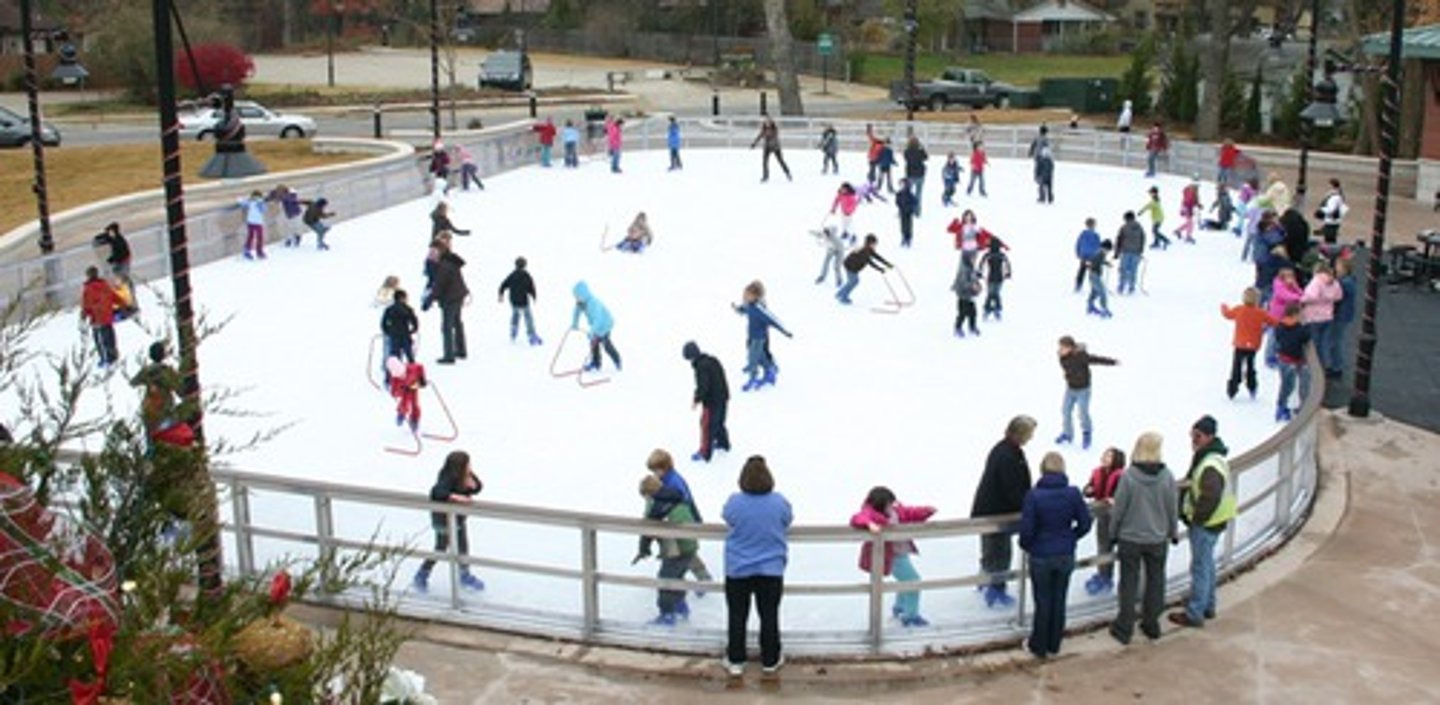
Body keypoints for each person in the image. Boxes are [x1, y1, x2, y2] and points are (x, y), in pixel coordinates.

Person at [723, 455, 792, 677]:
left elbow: (727, 517)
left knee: (737, 615)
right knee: (769, 615)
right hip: (771, 569)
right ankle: (770, 659)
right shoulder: (779, 502)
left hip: (738, 569)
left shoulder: (735, 501)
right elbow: (787, 518)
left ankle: (736, 659)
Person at [1018, 452, 1092, 658]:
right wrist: (1071, 538)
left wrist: (1029, 546)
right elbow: (1085, 523)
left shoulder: (1034, 495)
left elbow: (1027, 530)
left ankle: (1038, 645)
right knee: (1059, 598)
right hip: (1065, 554)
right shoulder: (1073, 493)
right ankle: (1054, 643)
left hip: (1041, 556)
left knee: (1043, 600)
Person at [1107, 431, 1178, 645]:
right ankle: (1151, 623)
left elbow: (1119, 509)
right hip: (1157, 538)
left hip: (1130, 538)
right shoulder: (1167, 476)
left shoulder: (1129, 477)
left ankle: (1124, 627)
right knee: (1156, 581)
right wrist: (1172, 531)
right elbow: (1171, 507)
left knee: (1129, 582)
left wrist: (1113, 533)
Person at [1170, 415, 1235, 629]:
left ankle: (1195, 612)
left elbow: (1210, 495)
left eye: (1197, 436)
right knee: (1206, 564)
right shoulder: (1211, 457)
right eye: (1192, 435)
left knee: (1200, 566)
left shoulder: (1209, 464)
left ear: (1209, 436)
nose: (1193, 440)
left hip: (1206, 524)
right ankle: (1207, 604)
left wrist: (1196, 519)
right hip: (1214, 521)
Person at [970, 415, 1036, 608]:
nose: (1031, 438)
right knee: (999, 552)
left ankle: (987, 583)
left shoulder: (1008, 450)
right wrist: (1029, 506)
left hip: (992, 510)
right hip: (996, 513)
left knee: (993, 551)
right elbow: (1012, 489)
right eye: (1030, 433)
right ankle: (995, 590)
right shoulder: (1007, 455)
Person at [849, 486, 937, 627]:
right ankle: (911, 616)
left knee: (905, 581)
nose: (892, 506)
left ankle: (900, 607)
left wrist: (925, 511)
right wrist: (870, 524)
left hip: (902, 552)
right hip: (891, 556)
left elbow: (909, 513)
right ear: (880, 504)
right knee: (913, 581)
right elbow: (858, 518)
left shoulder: (895, 510)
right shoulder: (870, 512)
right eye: (889, 504)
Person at [412, 450, 485, 593]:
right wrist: (456, 497)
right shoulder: (446, 477)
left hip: (459, 518)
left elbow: (478, 488)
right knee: (441, 548)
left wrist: (474, 484)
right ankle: (421, 574)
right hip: (443, 520)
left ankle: (464, 575)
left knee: (463, 547)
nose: (470, 466)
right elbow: (437, 492)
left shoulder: (466, 476)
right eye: (468, 464)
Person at [634, 473, 700, 625]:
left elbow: (647, 530)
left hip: (676, 549)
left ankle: (667, 614)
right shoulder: (675, 495)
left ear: (648, 494)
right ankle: (680, 606)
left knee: (665, 580)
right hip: (690, 545)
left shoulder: (655, 505)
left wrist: (643, 550)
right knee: (677, 577)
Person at [645, 449, 715, 591]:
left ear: (665, 467)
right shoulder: (666, 480)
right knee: (687, 553)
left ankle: (685, 584)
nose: (654, 474)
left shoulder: (673, 482)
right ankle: (702, 578)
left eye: (656, 470)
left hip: (684, 521)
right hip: (681, 521)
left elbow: (683, 501)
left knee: (683, 554)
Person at [130, 341, 197, 449]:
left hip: (149, 409)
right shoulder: (167, 371)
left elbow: (133, 382)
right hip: (165, 410)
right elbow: (181, 391)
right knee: (172, 438)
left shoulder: (146, 371)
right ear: (163, 354)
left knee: (152, 439)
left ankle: (151, 454)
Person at [1056, 335, 1118, 448]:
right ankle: (1067, 434)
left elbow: (1096, 359)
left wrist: (1112, 362)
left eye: (1063, 347)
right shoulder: (1061, 357)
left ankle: (1087, 433)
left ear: (1070, 348)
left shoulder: (1080, 356)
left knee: (1083, 413)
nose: (1060, 350)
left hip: (1083, 390)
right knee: (1065, 411)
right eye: (1060, 347)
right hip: (1070, 388)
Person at [1082, 446, 1127, 595]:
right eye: (1104, 454)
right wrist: (1088, 490)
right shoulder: (1098, 472)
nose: (1104, 457)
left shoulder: (1121, 476)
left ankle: (1113, 578)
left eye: (1109, 456)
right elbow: (1091, 488)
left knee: (1115, 547)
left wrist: (1112, 499)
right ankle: (1104, 576)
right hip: (1103, 517)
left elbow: (1119, 495)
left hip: (1118, 519)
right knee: (1103, 547)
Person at [733, 280, 793, 391]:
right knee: (759, 355)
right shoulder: (749, 305)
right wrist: (737, 309)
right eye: (744, 295)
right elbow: (744, 309)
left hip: (759, 338)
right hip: (752, 335)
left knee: (753, 357)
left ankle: (753, 377)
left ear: (755, 296)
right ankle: (770, 370)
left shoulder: (759, 309)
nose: (744, 297)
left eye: (747, 295)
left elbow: (774, 320)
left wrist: (785, 331)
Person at [1221, 287, 1276, 400]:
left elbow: (1227, 314)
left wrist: (1224, 307)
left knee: (1236, 365)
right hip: (1253, 345)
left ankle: (1233, 388)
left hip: (1240, 343)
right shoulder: (1260, 313)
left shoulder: (1239, 309)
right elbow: (1273, 322)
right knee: (1251, 365)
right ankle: (1252, 386)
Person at [683, 342, 730, 462]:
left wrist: (697, 399)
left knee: (707, 426)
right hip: (723, 396)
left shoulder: (701, 367)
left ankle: (705, 453)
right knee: (719, 421)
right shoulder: (712, 360)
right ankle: (723, 443)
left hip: (712, 401)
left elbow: (703, 386)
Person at [430, 237, 469, 365]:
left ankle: (449, 355)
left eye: (433, 251)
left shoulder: (444, 266)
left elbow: (439, 285)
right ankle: (461, 350)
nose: (431, 254)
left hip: (450, 298)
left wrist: (429, 300)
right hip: (458, 295)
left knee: (447, 326)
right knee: (457, 323)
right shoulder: (449, 261)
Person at [1301, 261, 1342, 376]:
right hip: (1328, 316)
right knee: (1325, 343)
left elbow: (1312, 296)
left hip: (1313, 317)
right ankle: (1325, 365)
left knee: (1314, 344)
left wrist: (1301, 299)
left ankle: (1314, 368)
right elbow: (1339, 296)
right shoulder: (1334, 282)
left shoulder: (1317, 281)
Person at [571, 281, 621, 372]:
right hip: (596, 325)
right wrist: (574, 323)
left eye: (577, 296)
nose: (576, 299)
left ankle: (617, 360)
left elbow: (598, 319)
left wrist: (593, 332)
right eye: (575, 297)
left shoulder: (593, 303)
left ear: (583, 294)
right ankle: (596, 363)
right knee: (594, 343)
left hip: (605, 324)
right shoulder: (581, 303)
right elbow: (576, 312)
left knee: (606, 344)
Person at [1273, 302, 1311, 422]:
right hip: (1294, 360)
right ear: (1295, 315)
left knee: (1286, 384)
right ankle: (1291, 407)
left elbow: (1278, 338)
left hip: (1283, 359)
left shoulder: (1280, 326)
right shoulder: (1300, 329)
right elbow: (1306, 337)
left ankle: (1281, 406)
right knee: (1295, 384)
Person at [80, 266, 120, 369]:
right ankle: (113, 356)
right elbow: (113, 296)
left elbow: (86, 304)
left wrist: (84, 314)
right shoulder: (104, 285)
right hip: (107, 316)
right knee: (110, 337)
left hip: (97, 318)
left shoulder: (88, 288)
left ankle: (104, 359)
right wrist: (124, 303)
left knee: (100, 340)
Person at [836, 234, 892, 305]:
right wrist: (880, 269)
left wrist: (887, 264)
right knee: (854, 281)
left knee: (852, 281)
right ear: (870, 243)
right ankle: (843, 296)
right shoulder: (864, 251)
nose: (875, 245)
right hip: (850, 266)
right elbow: (870, 262)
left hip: (852, 266)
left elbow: (877, 257)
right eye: (874, 243)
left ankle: (840, 294)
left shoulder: (868, 249)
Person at [497, 257, 541, 346]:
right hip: (523, 300)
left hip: (513, 300)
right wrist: (534, 296)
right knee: (528, 317)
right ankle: (531, 335)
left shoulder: (512, 275)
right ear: (525, 265)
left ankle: (514, 329)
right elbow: (531, 287)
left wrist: (500, 295)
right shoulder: (526, 275)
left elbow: (503, 285)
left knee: (515, 314)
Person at [1327, 257, 1356, 379]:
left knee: (1335, 341)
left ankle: (1336, 367)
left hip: (1340, 315)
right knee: (1335, 340)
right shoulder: (1348, 281)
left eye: (1338, 266)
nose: (1336, 268)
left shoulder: (1344, 283)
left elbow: (1334, 295)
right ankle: (1335, 365)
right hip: (1344, 314)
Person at [381, 289, 419, 383]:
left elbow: (383, 323)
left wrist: (388, 332)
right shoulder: (408, 308)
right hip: (405, 335)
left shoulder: (389, 309)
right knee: (410, 357)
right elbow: (414, 321)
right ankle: (414, 378)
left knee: (394, 359)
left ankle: (390, 379)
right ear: (403, 298)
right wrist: (413, 330)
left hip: (394, 337)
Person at [386, 355, 426, 432]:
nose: (401, 376)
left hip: (414, 385)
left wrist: (422, 379)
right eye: (399, 376)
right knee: (404, 401)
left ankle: (415, 420)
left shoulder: (411, 368)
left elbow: (420, 367)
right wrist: (398, 391)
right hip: (405, 390)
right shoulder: (395, 378)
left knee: (415, 403)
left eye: (402, 374)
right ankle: (401, 414)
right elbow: (394, 391)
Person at [751, 115, 791, 183]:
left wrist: (768, 135)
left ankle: (787, 173)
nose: (767, 123)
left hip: (775, 147)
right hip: (767, 147)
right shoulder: (764, 129)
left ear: (771, 122)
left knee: (780, 161)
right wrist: (754, 144)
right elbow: (760, 136)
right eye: (766, 121)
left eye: (768, 121)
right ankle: (765, 176)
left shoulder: (774, 128)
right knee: (765, 162)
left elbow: (774, 136)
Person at [979, 237, 1011, 321]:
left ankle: (988, 309)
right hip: (998, 277)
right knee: (995, 293)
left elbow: (981, 264)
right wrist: (1008, 273)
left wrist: (979, 272)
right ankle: (996, 309)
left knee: (991, 293)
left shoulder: (988, 255)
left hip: (991, 276)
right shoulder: (1001, 255)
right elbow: (1008, 264)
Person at [1114, 211, 1145, 295]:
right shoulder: (1139, 227)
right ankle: (1131, 287)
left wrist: (1116, 253)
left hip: (1126, 251)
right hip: (1136, 252)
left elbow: (1119, 240)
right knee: (1133, 270)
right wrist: (1141, 250)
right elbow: (1143, 239)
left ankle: (1121, 286)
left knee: (1123, 269)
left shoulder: (1124, 227)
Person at [951, 254, 981, 338]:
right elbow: (963, 282)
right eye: (973, 258)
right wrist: (972, 286)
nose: (974, 260)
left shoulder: (972, 268)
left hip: (970, 296)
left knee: (973, 313)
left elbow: (974, 279)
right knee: (963, 313)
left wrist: (978, 285)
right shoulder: (964, 269)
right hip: (963, 295)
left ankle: (972, 327)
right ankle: (958, 328)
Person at [270, 184, 305, 248]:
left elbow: (290, 199)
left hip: (295, 213)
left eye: (280, 191)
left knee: (295, 227)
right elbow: (271, 196)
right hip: (288, 214)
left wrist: (280, 198)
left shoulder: (290, 195)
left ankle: (297, 237)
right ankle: (288, 239)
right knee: (287, 227)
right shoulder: (281, 196)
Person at [1086, 240, 1114, 318]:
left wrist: (1107, 263)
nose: (1107, 252)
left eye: (1108, 251)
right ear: (1103, 248)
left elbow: (1099, 261)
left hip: (1094, 275)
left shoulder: (1101, 254)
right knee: (1102, 292)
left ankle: (1090, 306)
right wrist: (1092, 266)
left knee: (1094, 291)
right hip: (1094, 275)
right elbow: (1093, 262)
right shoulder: (1099, 254)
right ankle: (1103, 309)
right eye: (1107, 250)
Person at [1073, 218, 1102, 293]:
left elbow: (1078, 244)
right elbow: (1098, 246)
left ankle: (1079, 285)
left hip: (1086, 256)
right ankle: (1092, 286)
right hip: (1090, 256)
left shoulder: (1084, 234)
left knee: (1083, 270)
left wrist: (1078, 253)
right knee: (1090, 271)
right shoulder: (1095, 235)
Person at [902, 135, 928, 218]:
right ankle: (917, 211)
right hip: (920, 174)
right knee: (918, 194)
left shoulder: (907, 151)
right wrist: (922, 148)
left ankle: (908, 209)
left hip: (910, 174)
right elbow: (926, 157)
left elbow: (905, 158)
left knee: (908, 193)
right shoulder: (920, 151)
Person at [238, 190, 268, 260]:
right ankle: (247, 250)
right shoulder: (250, 202)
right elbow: (242, 203)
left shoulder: (261, 203)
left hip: (258, 222)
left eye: (258, 197)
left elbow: (264, 210)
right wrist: (241, 200)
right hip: (251, 222)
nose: (256, 198)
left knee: (260, 237)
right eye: (255, 196)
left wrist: (260, 203)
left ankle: (259, 251)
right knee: (250, 236)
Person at [1316, 178, 1346, 245]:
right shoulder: (1339, 195)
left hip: (1331, 220)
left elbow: (1331, 209)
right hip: (1334, 220)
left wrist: (1321, 211)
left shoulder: (1334, 196)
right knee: (1330, 237)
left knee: (1329, 239)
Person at [1029, 125, 1055, 204]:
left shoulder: (1037, 138)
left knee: (1040, 178)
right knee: (1049, 179)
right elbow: (1048, 150)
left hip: (1040, 159)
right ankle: (1050, 197)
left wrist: (1031, 153)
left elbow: (1032, 146)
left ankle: (1042, 196)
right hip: (1048, 161)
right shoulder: (1046, 140)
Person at [1176, 177, 1200, 243]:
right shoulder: (1191, 191)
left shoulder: (1193, 190)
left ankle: (1178, 230)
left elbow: (1194, 200)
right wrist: (1189, 208)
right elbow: (1188, 200)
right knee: (1190, 223)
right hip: (1187, 208)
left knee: (1189, 223)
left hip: (1187, 207)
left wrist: (1198, 204)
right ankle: (1188, 236)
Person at [895, 178, 917, 248]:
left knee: (909, 225)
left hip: (909, 212)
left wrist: (911, 208)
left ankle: (908, 238)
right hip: (902, 211)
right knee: (902, 225)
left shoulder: (910, 194)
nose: (902, 186)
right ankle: (904, 236)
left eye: (903, 185)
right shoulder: (899, 194)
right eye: (901, 185)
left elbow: (915, 202)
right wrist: (899, 206)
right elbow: (897, 201)